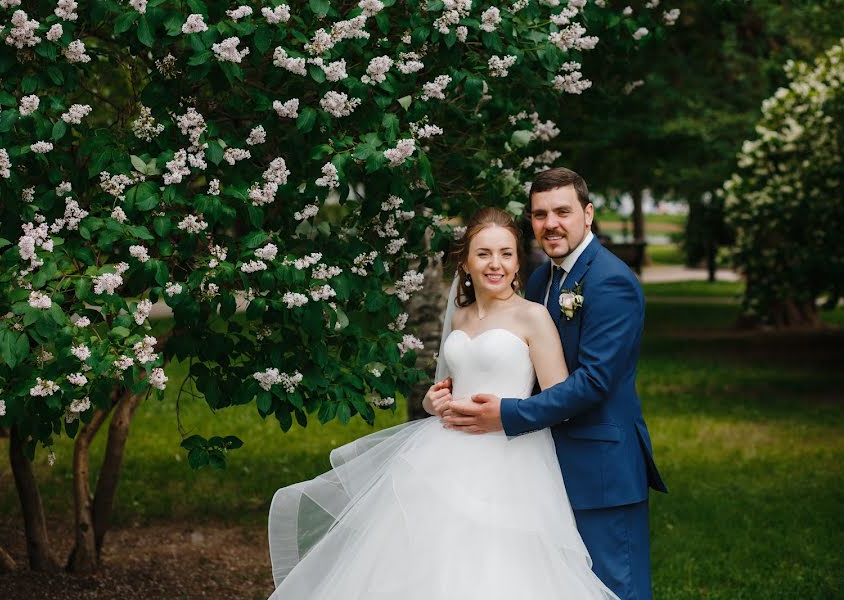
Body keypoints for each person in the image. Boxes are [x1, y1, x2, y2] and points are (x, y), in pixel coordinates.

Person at [267, 207, 618, 599]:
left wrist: (505, 414)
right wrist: (437, 402)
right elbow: (451, 384)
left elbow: (560, 398)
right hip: (446, 450)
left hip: (511, 457)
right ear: (465, 262)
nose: (495, 264)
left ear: (518, 262)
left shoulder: (533, 317)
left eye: (506, 253)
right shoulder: (461, 319)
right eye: (484, 253)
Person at [443, 168, 668, 599]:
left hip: (601, 466)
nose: (551, 224)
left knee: (614, 587)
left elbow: (594, 382)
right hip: (542, 463)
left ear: (588, 214)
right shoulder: (544, 277)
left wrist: (505, 414)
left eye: (562, 211)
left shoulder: (611, 281)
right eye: (541, 214)